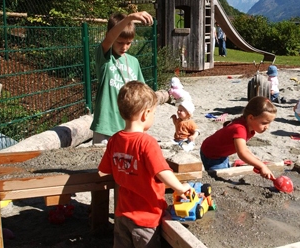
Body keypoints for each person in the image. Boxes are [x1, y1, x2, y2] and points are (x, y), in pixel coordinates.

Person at [97, 81, 192, 247]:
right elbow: (162, 172)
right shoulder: (147, 143)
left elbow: (105, 170)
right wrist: (180, 187)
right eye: (153, 113)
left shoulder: (114, 140)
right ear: (145, 114)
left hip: (122, 214)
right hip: (146, 218)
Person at [90, 11, 154, 145]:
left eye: (128, 43)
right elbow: (108, 39)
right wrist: (130, 18)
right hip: (106, 127)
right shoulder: (105, 59)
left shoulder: (133, 62)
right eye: (120, 42)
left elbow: (144, 93)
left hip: (129, 127)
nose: (124, 47)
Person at [200, 96, 277, 179]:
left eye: (269, 123)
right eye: (264, 123)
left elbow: (244, 149)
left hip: (221, 152)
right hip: (212, 154)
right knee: (220, 177)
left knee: (225, 169)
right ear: (251, 118)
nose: (267, 127)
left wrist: (253, 157)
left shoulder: (247, 126)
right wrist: (262, 166)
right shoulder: (240, 129)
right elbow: (242, 153)